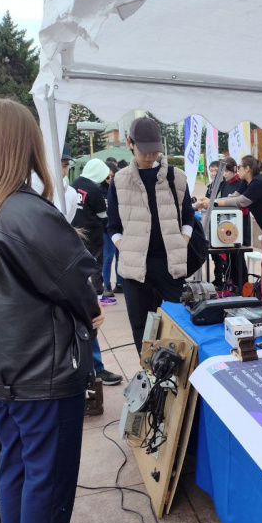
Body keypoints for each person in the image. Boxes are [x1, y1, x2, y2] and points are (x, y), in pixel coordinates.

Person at [0, 98, 100, 523]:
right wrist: (91, 309)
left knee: (15, 465)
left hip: (7, 368)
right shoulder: (24, 211)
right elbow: (76, 274)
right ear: (24, 145)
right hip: (42, 366)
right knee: (47, 474)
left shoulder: (5, 209)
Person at [107, 116, 197, 353]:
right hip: (134, 266)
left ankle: (180, 370)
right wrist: (124, 246)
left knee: (181, 321)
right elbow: (112, 225)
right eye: (143, 150)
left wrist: (183, 240)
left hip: (170, 263)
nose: (149, 156)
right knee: (141, 326)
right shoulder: (119, 180)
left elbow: (188, 216)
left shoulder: (176, 177)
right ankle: (148, 369)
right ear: (130, 143)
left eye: (154, 151)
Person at [72, 157, 111, 301]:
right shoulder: (94, 189)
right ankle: (98, 295)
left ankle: (78, 294)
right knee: (95, 263)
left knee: (78, 263)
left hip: (75, 230)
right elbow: (102, 214)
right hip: (92, 233)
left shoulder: (75, 183)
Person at [214, 155, 262, 231]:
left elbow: (241, 201)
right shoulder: (246, 180)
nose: (238, 170)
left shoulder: (259, 182)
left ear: (247, 168)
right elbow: (234, 196)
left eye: (239, 167)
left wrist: (215, 202)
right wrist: (214, 201)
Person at [100, 163, 123, 298]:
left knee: (120, 256)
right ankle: (106, 284)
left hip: (120, 227)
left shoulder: (119, 187)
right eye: (107, 177)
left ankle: (120, 283)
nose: (110, 180)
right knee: (108, 257)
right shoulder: (99, 189)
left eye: (112, 177)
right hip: (107, 228)